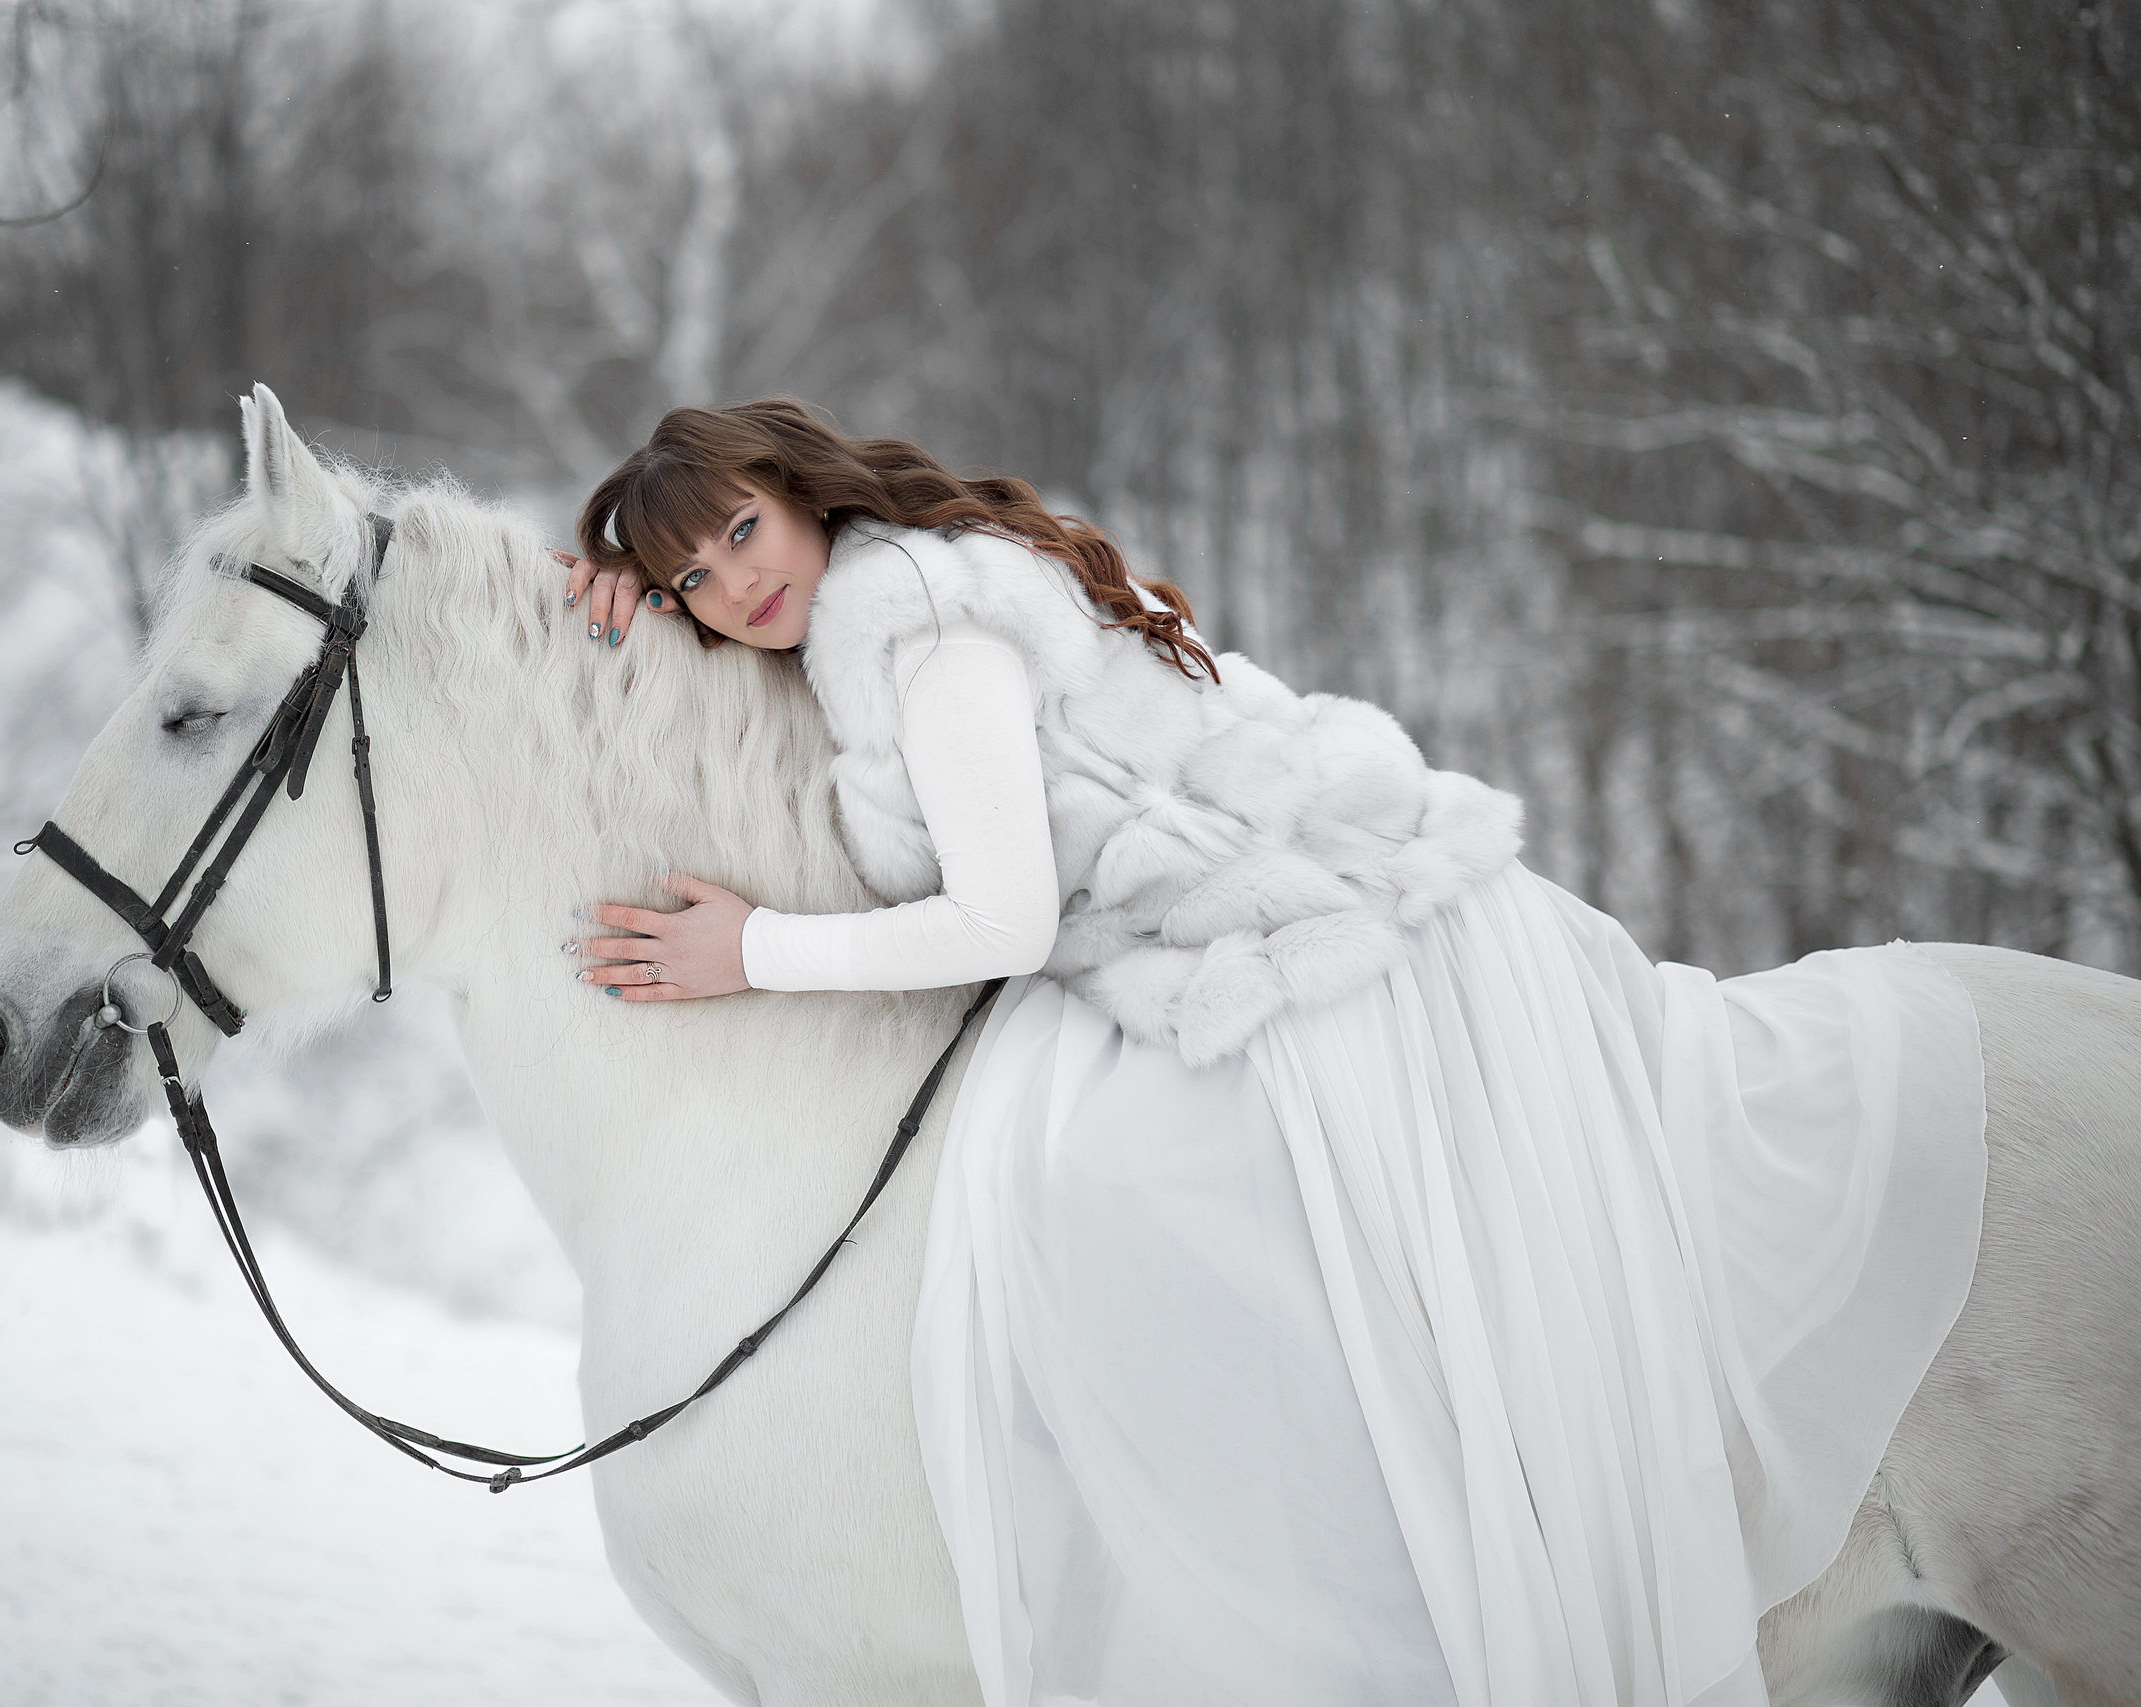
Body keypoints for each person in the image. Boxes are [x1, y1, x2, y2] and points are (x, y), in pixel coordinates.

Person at [557, 398, 1988, 1707]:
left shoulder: (915, 634)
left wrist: (751, 954)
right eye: (697, 580)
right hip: (1232, 908)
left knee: (1143, 1211)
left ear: (803, 493)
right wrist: (625, 601)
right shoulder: (870, 592)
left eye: (742, 531)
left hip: (1283, 934)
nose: (737, 587)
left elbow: (1002, 917)